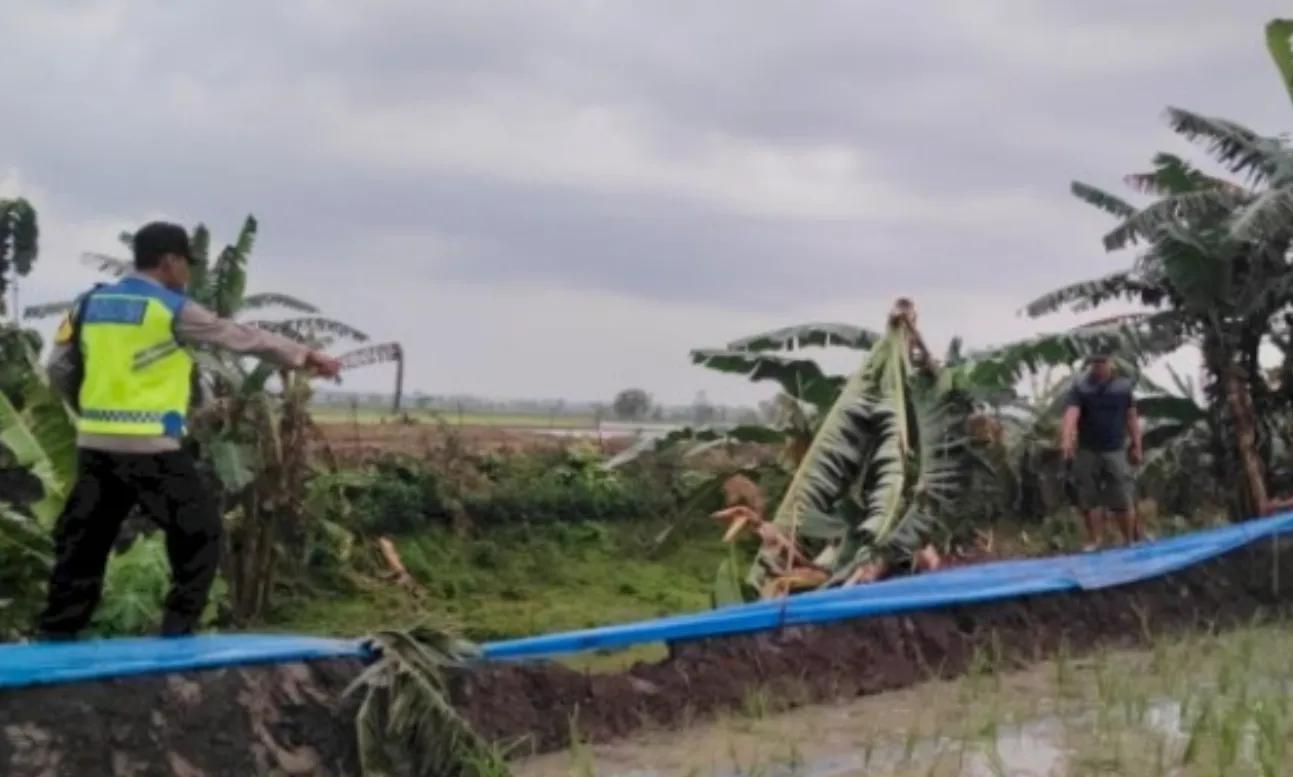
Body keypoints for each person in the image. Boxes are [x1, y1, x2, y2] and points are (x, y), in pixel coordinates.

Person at [37, 221, 341, 639]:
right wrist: (304, 355)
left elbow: (58, 368)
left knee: (84, 543)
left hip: (95, 444)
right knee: (199, 534)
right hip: (152, 448)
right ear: (169, 261)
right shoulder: (170, 308)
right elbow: (239, 336)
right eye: (186, 265)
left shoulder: (87, 304)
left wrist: (89, 410)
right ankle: (177, 632)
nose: (189, 274)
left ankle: (56, 636)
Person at [1060, 353, 1143, 551]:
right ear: (1090, 365)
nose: (1098, 366)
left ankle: (1129, 541)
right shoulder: (1081, 387)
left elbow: (1131, 417)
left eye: (1102, 362)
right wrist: (1066, 440)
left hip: (1115, 449)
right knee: (1089, 498)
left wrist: (1137, 445)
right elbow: (1071, 414)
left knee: (1122, 496)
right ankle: (1095, 540)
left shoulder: (1123, 387)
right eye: (1095, 363)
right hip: (1088, 450)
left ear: (1111, 363)